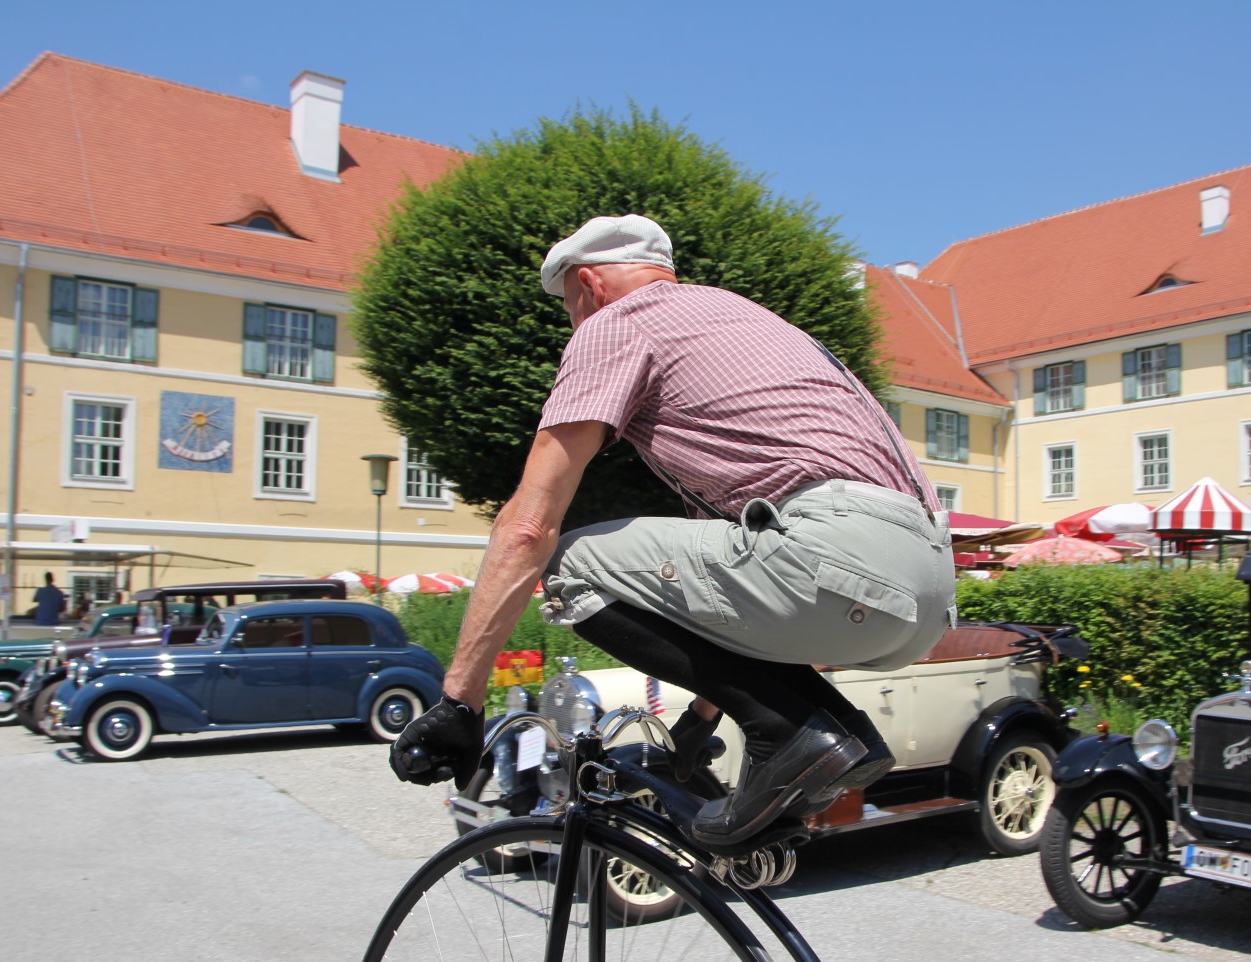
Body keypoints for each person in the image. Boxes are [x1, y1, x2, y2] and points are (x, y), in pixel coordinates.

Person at [391, 214, 956, 849]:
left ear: (589, 285)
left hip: (835, 556)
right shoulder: (737, 318)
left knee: (571, 562)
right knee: (722, 594)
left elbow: (528, 526)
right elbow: (719, 564)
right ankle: (828, 743)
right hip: (926, 588)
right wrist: (704, 708)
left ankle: (791, 732)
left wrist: (459, 704)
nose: (572, 325)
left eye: (569, 308)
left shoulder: (615, 325)